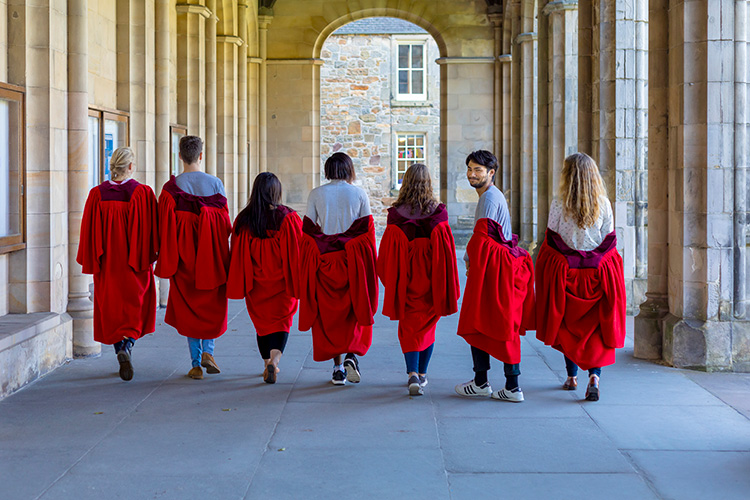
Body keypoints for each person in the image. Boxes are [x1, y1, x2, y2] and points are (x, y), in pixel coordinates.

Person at [535, 152, 626, 401]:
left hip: (569, 274)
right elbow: (609, 240)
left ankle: (571, 376)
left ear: (567, 176)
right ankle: (594, 377)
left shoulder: (559, 203)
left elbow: (552, 239)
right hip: (596, 275)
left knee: (569, 327)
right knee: (595, 329)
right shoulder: (604, 204)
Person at [455, 150, 535, 402]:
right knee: (488, 322)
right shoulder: (491, 196)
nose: (471, 174)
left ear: (491, 172)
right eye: (469, 169)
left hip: (495, 270)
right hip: (499, 267)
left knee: (488, 322)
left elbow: (483, 239)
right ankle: (486, 382)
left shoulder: (489, 198)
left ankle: (508, 386)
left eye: (478, 170)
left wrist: (469, 262)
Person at [377, 163, 460, 396]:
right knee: (427, 326)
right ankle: (422, 374)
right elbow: (446, 254)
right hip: (432, 280)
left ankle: (412, 372)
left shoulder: (396, 215)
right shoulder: (438, 212)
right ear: (428, 183)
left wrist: (391, 280)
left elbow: (386, 256)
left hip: (406, 280)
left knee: (408, 326)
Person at [77, 147, 158, 381]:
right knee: (137, 305)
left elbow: (89, 233)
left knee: (109, 308)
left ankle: (120, 350)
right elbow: (153, 231)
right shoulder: (142, 193)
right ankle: (128, 345)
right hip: (134, 263)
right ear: (130, 167)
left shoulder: (96, 194)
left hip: (107, 265)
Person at [155, 136, 232, 380]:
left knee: (190, 308)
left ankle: (196, 363)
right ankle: (209, 352)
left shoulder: (170, 190)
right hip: (211, 258)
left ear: (180, 156)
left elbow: (163, 228)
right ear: (201, 156)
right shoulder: (216, 184)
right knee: (210, 304)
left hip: (184, 258)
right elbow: (225, 225)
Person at [298, 152, 378, 385]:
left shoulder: (316, 194)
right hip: (353, 260)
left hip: (326, 261)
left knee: (330, 315)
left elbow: (309, 232)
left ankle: (338, 368)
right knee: (355, 309)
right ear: (349, 170)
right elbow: (366, 231)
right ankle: (353, 355)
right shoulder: (359, 193)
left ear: (328, 170)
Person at [227, 172, 302, 384]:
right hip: (281, 285)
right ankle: (275, 362)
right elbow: (297, 252)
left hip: (256, 285)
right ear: (276, 192)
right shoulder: (287, 217)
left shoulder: (244, 219)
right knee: (282, 322)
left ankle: (266, 362)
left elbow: (238, 252)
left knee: (262, 326)